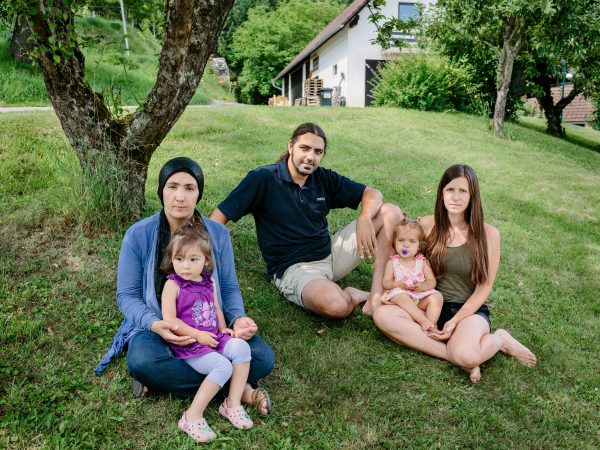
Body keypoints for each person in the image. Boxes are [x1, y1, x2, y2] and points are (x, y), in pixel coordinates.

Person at [96, 157, 274, 416]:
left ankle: (167, 381)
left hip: (209, 327)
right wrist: (155, 324)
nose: (180, 196)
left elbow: (229, 287)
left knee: (263, 357)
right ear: (161, 191)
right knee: (143, 360)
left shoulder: (218, 234)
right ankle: (238, 387)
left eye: (189, 188)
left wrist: (237, 319)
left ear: (199, 193)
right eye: (172, 187)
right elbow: (127, 296)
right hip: (158, 326)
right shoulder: (138, 235)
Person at [210, 123, 404, 319]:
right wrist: (200, 253)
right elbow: (218, 218)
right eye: (305, 148)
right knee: (336, 306)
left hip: (330, 253)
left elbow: (373, 194)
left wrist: (364, 217)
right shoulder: (263, 179)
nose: (311, 157)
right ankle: (352, 295)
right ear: (290, 146)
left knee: (392, 212)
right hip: (294, 269)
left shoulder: (322, 178)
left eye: (318, 152)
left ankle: (376, 295)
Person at [373, 164, 537, 383]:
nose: (456, 197)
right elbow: (400, 252)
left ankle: (499, 340)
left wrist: (454, 322)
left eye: (463, 191)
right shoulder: (427, 225)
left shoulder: (489, 235)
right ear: (442, 193)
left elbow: (484, 287)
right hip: (428, 305)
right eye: (450, 190)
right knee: (383, 316)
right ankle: (453, 357)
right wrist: (391, 289)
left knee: (466, 353)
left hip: (467, 312)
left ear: (473, 196)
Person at [161, 222, 253, 442]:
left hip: (213, 336)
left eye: (193, 260)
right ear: (171, 258)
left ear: (206, 261)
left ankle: (232, 404)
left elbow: (216, 308)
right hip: (190, 343)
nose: (185, 266)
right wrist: (197, 335)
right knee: (223, 366)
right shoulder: (172, 285)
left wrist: (223, 328)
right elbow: (170, 320)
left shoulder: (208, 281)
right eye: (179, 259)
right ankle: (191, 416)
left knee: (242, 348)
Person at [382, 219, 443, 331]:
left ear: (419, 246)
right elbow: (386, 283)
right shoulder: (393, 262)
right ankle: (423, 321)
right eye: (401, 240)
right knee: (401, 296)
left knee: (437, 297)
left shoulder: (423, 262)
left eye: (412, 241)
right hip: (402, 294)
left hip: (419, 297)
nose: (406, 245)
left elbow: (431, 281)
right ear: (394, 243)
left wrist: (422, 286)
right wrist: (398, 284)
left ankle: (431, 324)